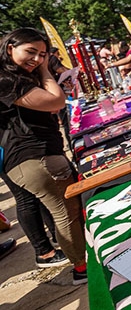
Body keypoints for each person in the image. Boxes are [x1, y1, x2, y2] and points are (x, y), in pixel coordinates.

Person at [0, 28, 87, 284]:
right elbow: (55, 101)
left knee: (65, 212)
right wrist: (46, 71)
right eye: (30, 52)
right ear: (9, 48)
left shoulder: (16, 76)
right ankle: (82, 269)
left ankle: (81, 265)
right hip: (34, 156)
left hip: (35, 155)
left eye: (41, 54)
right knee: (66, 214)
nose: (37, 59)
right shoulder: (6, 79)